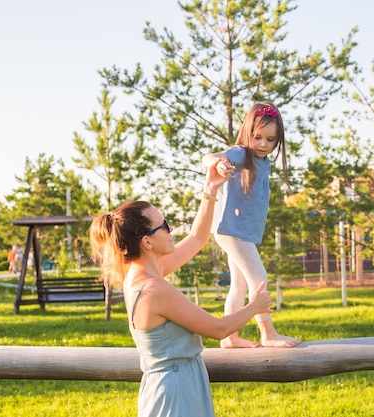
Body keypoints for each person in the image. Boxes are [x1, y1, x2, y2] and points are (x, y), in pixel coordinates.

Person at [88, 161, 273, 417]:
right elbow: (217, 329)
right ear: (147, 242)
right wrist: (256, 306)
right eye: (163, 226)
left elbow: (198, 238)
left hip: (176, 385)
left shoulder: (144, 271)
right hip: (174, 393)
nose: (170, 229)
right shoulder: (154, 289)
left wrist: (210, 190)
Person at [203, 102, 302, 349]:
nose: (263, 144)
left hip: (237, 231)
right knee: (259, 278)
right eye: (257, 137)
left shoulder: (263, 161)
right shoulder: (240, 153)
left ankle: (229, 337)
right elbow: (209, 157)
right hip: (232, 230)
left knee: (239, 284)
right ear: (248, 132)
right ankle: (267, 333)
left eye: (270, 140)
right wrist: (220, 163)